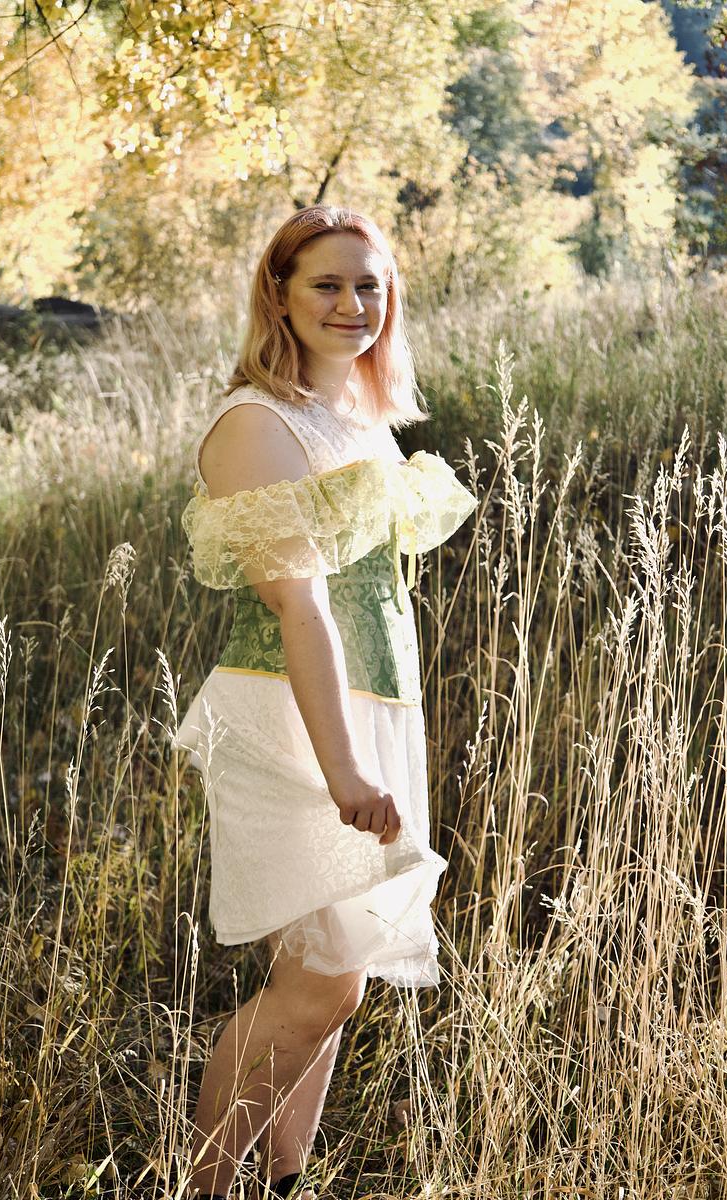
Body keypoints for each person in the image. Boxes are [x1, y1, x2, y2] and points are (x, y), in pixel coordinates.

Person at [174, 204, 478, 1200]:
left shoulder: (361, 419)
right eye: (327, 284)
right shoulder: (256, 424)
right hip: (288, 717)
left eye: (369, 285)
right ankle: (204, 1188)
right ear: (279, 295)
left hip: (371, 707)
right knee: (320, 979)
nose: (353, 304)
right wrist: (345, 767)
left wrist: (379, 740)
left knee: (339, 981)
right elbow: (298, 605)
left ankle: (284, 1181)